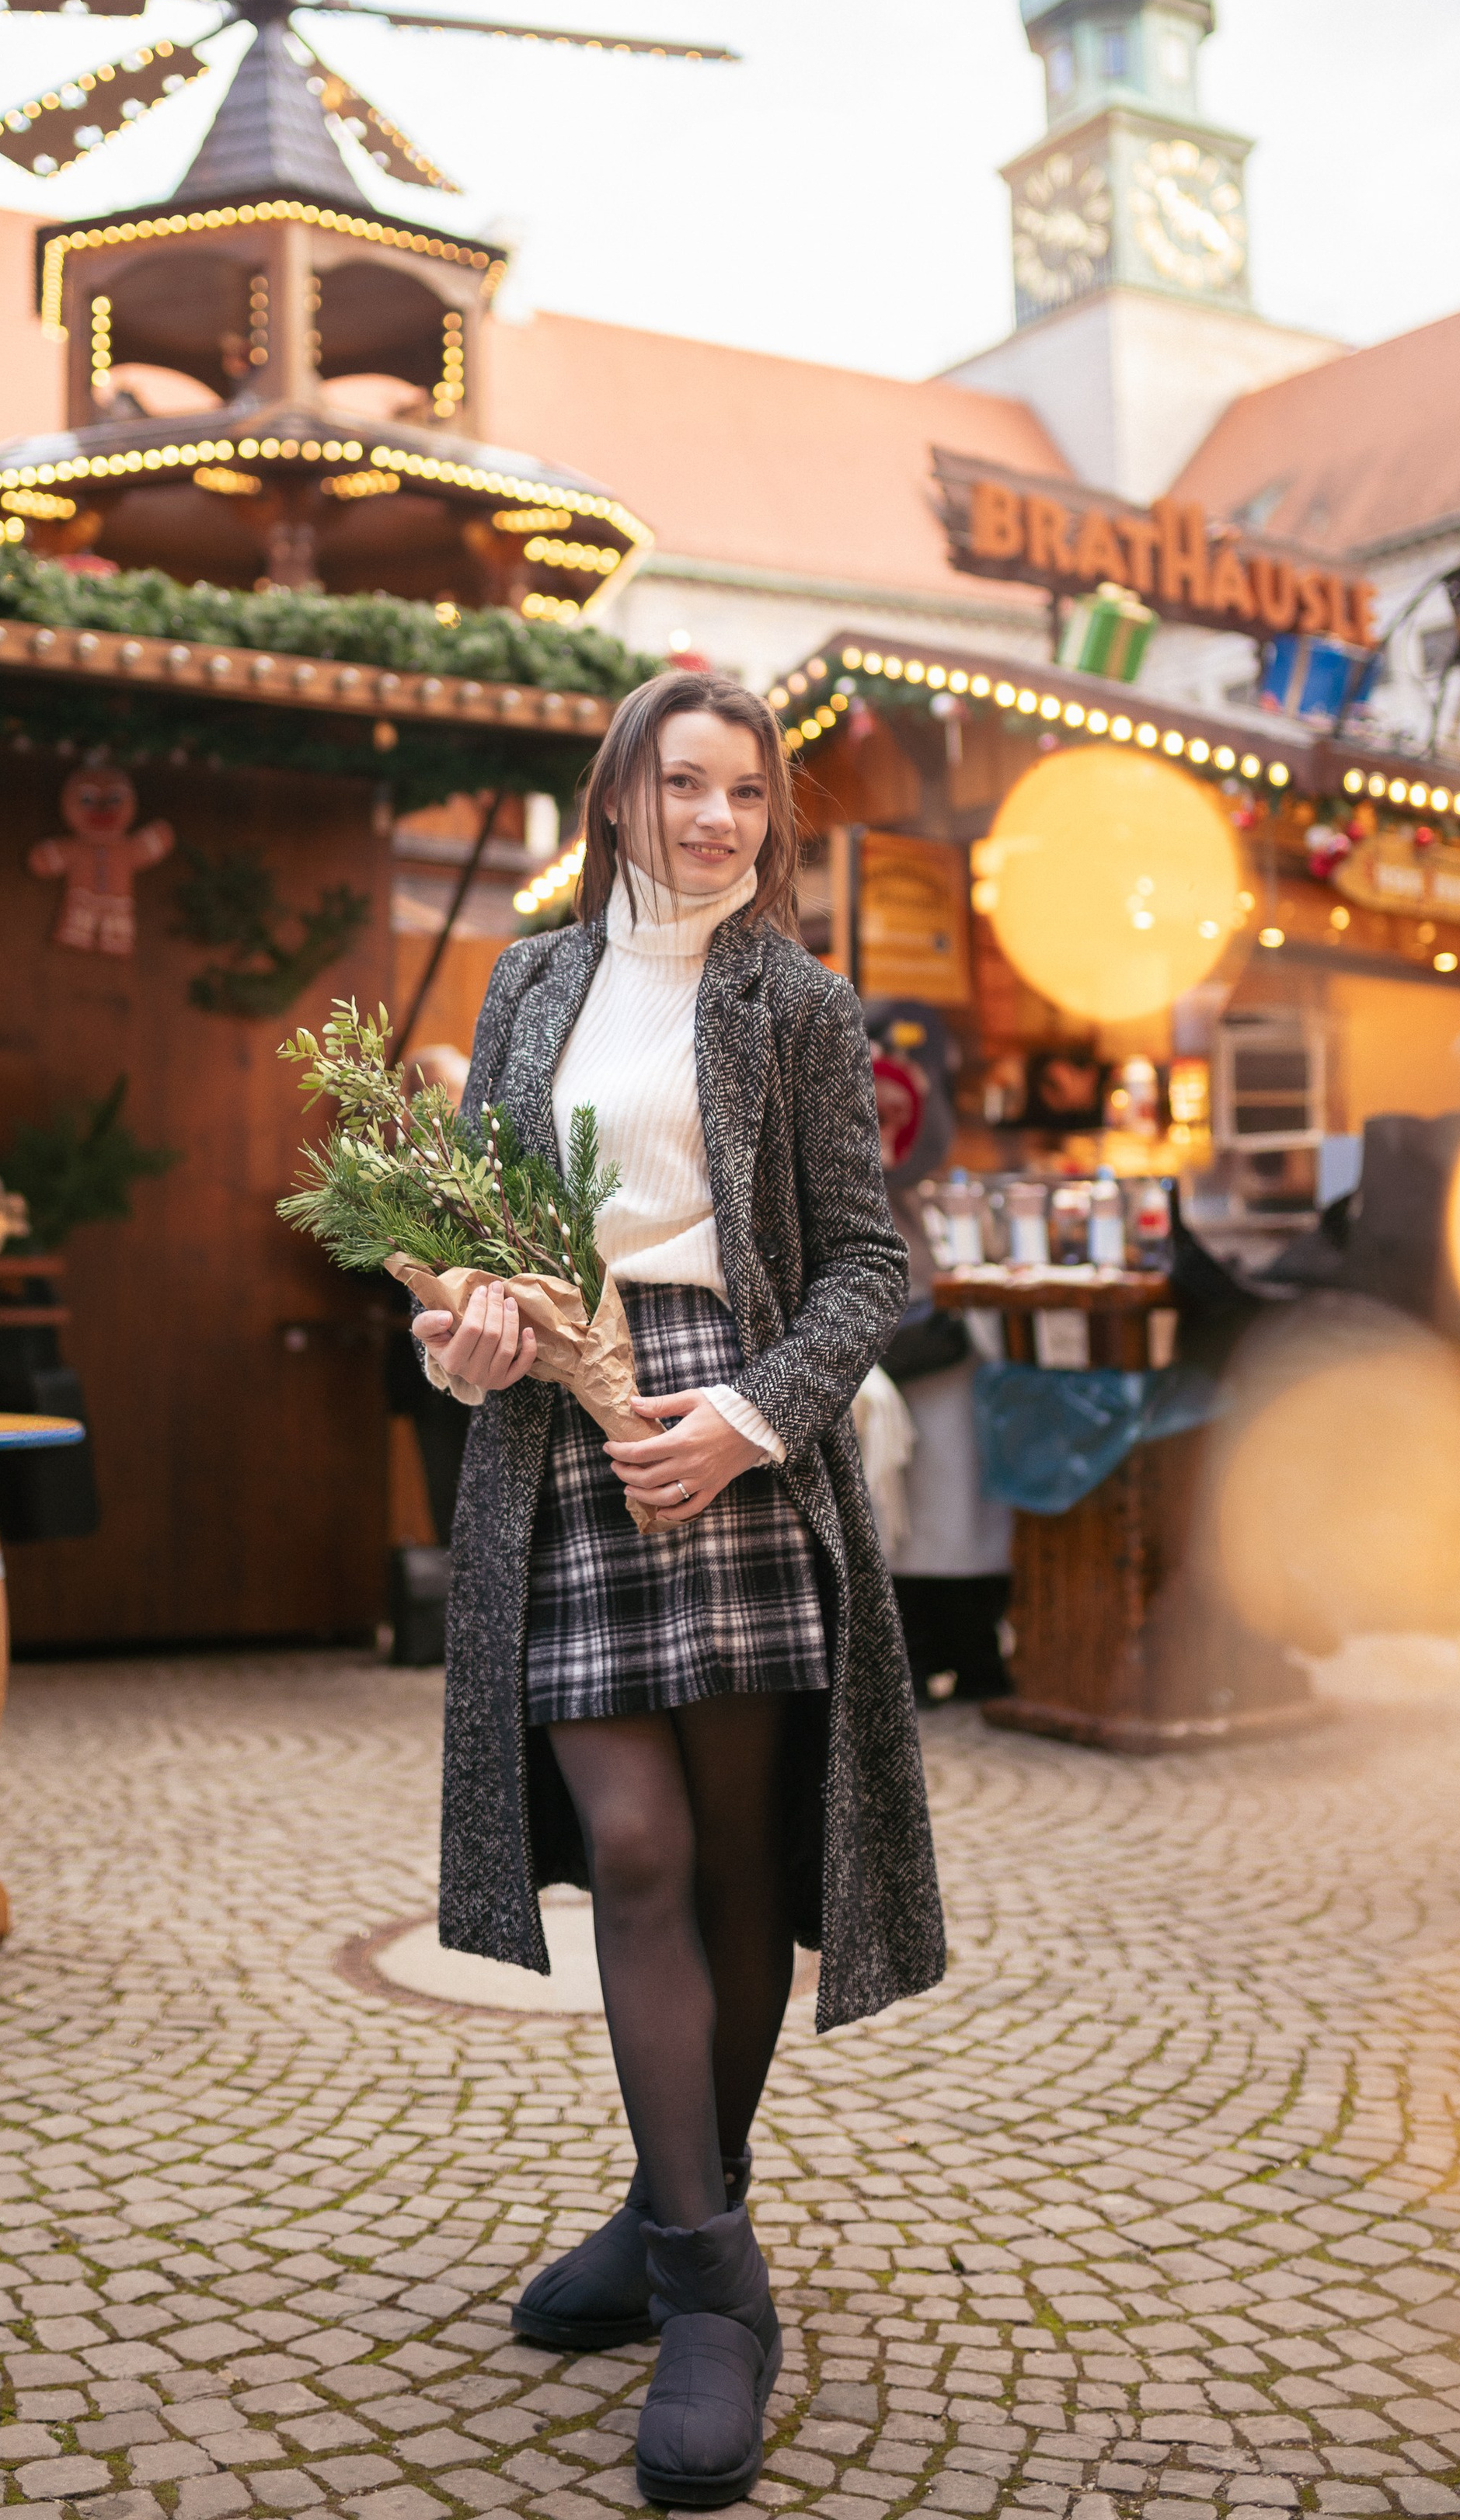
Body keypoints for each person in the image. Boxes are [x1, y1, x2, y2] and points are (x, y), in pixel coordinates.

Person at [413, 672, 944, 2509]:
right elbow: (480, 1243)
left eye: (745, 790)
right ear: (619, 791)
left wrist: (743, 1417)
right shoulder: (528, 982)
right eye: (682, 782)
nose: (715, 818)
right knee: (626, 1840)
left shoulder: (795, 1003)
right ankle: (710, 2265)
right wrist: (468, 1328)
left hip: (726, 1439)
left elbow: (868, 1265)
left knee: (729, 1857)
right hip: (562, 1438)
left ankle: (674, 2247)